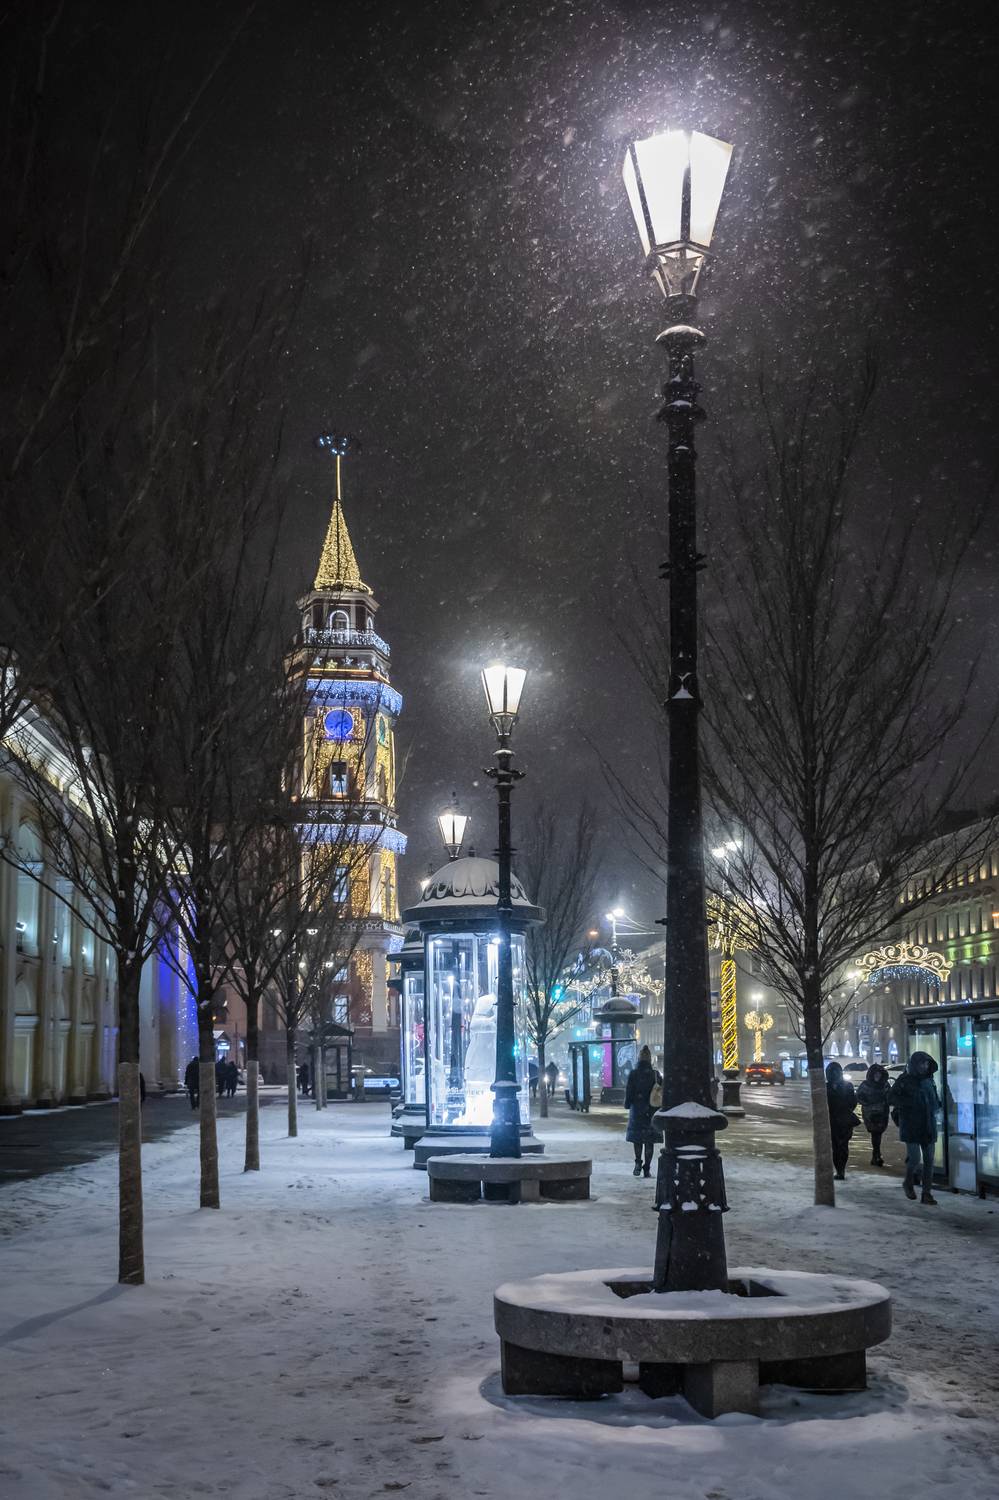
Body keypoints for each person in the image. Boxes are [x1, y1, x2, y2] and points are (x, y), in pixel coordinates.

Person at [890, 1051, 941, 1205]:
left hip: (928, 1125)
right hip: (911, 1125)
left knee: (929, 1160)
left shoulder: (929, 1080)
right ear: (915, 1065)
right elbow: (891, 1097)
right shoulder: (904, 1080)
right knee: (914, 1158)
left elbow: (935, 1100)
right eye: (922, 1063)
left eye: (927, 1063)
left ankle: (927, 1193)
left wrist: (937, 1106)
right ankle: (908, 1182)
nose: (925, 1066)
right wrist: (907, 1104)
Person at [625, 1045, 662, 1178]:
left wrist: (628, 1104)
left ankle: (637, 1162)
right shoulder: (655, 1074)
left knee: (638, 1139)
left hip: (637, 1111)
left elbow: (629, 1092)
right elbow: (661, 1091)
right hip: (652, 1111)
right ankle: (647, 1168)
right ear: (650, 1059)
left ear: (639, 1058)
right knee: (649, 1141)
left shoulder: (634, 1074)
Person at [825, 1061, 858, 1180]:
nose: (834, 1075)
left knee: (842, 1146)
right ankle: (839, 1169)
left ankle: (841, 1169)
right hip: (832, 1121)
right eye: (832, 1072)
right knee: (836, 1146)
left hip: (844, 1120)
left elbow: (853, 1102)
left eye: (836, 1072)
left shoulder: (847, 1086)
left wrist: (844, 1110)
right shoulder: (825, 1087)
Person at [856, 1063, 892, 1166]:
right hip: (870, 1114)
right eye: (875, 1074)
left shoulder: (885, 1085)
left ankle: (876, 1154)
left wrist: (886, 1101)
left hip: (882, 1112)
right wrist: (867, 1103)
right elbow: (859, 1096)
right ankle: (876, 1154)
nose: (877, 1076)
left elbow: (890, 1096)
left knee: (877, 1133)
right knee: (875, 1133)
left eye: (879, 1074)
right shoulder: (865, 1085)